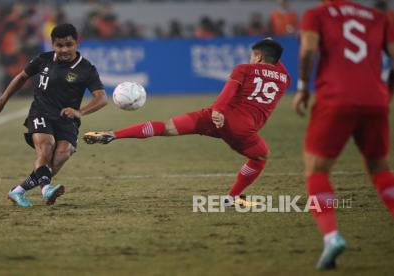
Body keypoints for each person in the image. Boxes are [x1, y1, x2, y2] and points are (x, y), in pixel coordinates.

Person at [84, 39, 290, 207]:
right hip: (242, 130)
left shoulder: (244, 69)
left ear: (259, 56)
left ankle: (114, 134)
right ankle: (233, 196)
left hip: (214, 116)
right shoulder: (285, 78)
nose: (250, 59)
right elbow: (274, 62)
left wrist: (217, 110)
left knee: (165, 128)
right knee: (261, 156)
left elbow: (229, 91)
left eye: (253, 55)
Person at [293, 0, 394, 270]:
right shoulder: (377, 17)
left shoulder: (316, 14)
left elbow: (308, 51)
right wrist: (387, 92)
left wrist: (303, 87)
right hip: (375, 99)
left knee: (317, 169)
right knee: (379, 168)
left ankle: (331, 236)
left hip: (335, 99)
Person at [0, 23, 108, 207]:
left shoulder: (86, 69)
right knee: (46, 146)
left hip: (67, 120)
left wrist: (79, 112)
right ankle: (46, 189)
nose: (64, 49)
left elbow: (102, 98)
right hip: (41, 111)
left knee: (61, 155)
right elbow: (21, 77)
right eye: (59, 45)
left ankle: (18, 191)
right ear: (52, 44)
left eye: (69, 44)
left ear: (77, 43)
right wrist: (2, 100)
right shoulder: (43, 59)